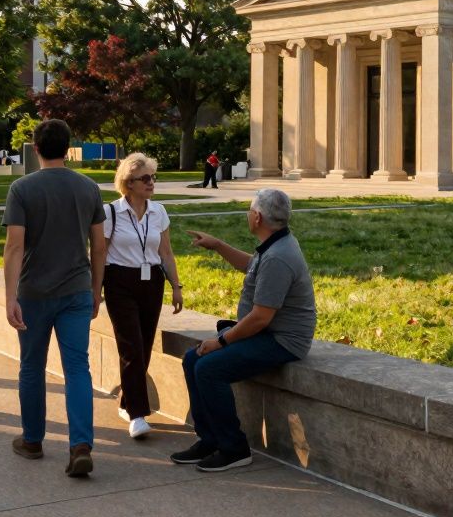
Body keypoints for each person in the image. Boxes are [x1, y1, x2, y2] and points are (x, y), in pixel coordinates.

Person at [173, 188, 316, 473]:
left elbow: (261, 317)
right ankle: (210, 439)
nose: (248, 214)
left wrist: (222, 341)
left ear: (258, 217)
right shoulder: (275, 244)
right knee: (193, 359)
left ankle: (233, 448)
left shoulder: (278, 256)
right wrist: (218, 245)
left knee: (209, 368)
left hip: (281, 340)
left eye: (250, 210)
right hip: (266, 333)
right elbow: (251, 266)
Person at [2, 119, 106, 477]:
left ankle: (32, 440)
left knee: (32, 365)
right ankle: (80, 445)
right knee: (77, 367)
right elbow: (99, 245)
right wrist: (96, 290)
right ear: (68, 147)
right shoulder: (89, 187)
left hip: (33, 292)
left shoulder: (21, 188)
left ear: (35, 146)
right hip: (77, 289)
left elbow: (14, 246)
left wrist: (9, 296)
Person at [103, 153, 184, 440]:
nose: (151, 183)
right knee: (131, 346)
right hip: (119, 282)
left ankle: (127, 400)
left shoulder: (159, 211)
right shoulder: (111, 212)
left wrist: (176, 286)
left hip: (152, 283)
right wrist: (94, 290)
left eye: (153, 177)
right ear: (129, 183)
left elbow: (166, 253)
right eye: (145, 178)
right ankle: (138, 414)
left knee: (145, 345)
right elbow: (99, 253)